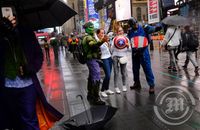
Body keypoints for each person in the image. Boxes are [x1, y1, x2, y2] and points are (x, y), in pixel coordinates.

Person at [0, 10, 62, 130]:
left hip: (27, 86)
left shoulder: (26, 32)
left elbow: (38, 55)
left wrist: (31, 68)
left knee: (30, 120)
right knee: (11, 121)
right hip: (6, 87)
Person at [127, 17, 162, 94]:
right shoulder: (130, 31)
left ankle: (151, 85)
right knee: (135, 69)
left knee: (147, 68)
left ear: (136, 22)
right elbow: (128, 40)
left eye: (135, 24)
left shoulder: (144, 28)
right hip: (135, 52)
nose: (135, 26)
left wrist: (158, 27)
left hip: (143, 52)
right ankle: (137, 83)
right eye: (132, 25)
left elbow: (153, 29)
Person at [82, 22, 106, 105]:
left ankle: (90, 94)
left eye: (93, 27)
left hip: (92, 59)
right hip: (91, 59)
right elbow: (93, 46)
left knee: (92, 76)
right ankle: (96, 98)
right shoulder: (88, 37)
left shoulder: (89, 36)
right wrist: (102, 41)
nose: (92, 29)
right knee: (96, 77)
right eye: (91, 27)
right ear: (87, 28)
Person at [96, 28, 114, 98]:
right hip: (104, 58)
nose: (103, 34)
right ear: (98, 34)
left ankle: (107, 89)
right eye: (101, 33)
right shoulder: (98, 41)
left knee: (109, 76)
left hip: (109, 58)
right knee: (108, 75)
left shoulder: (104, 39)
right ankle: (102, 90)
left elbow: (108, 48)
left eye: (103, 33)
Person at [112, 26, 129, 94]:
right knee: (116, 73)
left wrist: (127, 46)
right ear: (117, 32)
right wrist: (112, 55)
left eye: (121, 30)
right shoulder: (114, 39)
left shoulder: (126, 39)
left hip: (123, 57)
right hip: (115, 56)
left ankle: (124, 85)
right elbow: (112, 48)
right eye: (119, 31)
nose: (120, 32)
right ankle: (116, 87)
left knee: (123, 72)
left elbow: (130, 49)